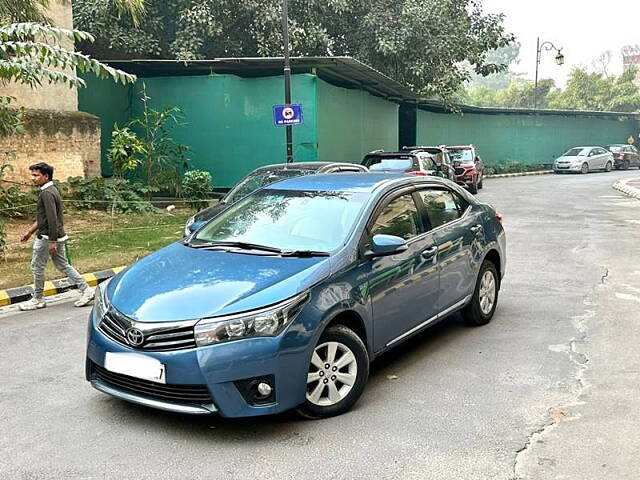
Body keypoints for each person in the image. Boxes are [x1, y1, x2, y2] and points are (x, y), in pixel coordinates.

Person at [19, 163, 95, 310]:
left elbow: (52, 218)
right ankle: (86, 289)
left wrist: (52, 241)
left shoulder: (46, 193)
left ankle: (38, 299)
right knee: (62, 265)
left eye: (36, 175)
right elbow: (45, 218)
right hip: (56, 236)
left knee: (37, 266)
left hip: (47, 237)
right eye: (32, 175)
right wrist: (30, 232)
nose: (33, 178)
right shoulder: (51, 190)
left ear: (46, 176)